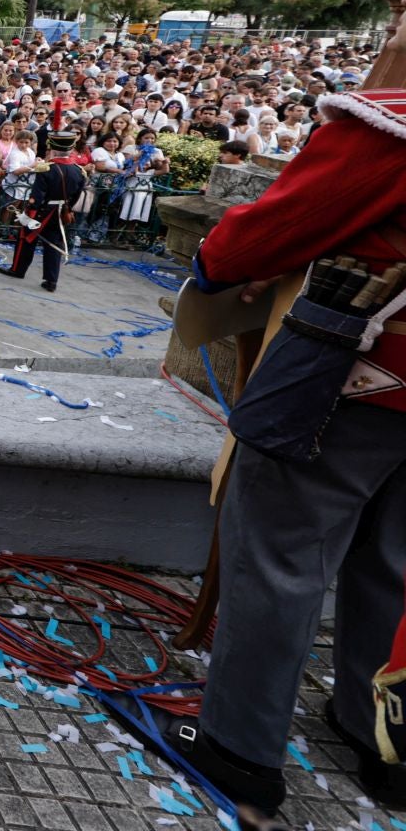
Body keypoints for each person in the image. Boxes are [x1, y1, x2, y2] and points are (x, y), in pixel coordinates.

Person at [173, 83, 406, 820]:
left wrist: (224, 267)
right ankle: (383, 739)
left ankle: (238, 753)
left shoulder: (388, 126)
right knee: (398, 566)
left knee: (279, 559)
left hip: (357, 378)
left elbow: (248, 244)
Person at [0, 130, 88, 292]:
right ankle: (51, 281)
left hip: (42, 212)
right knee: (53, 245)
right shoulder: (78, 170)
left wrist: (28, 213)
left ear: (51, 147)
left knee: (26, 239)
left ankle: (18, 270)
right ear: (71, 148)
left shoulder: (46, 169)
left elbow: (36, 196)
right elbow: (77, 196)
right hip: (61, 212)